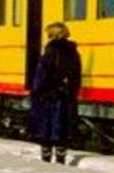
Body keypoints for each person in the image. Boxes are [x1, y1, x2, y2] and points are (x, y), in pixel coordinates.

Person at [30, 21, 82, 163]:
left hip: (49, 97)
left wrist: (37, 90)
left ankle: (46, 159)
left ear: (54, 34)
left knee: (46, 130)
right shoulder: (73, 51)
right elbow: (76, 75)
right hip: (66, 96)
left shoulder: (51, 50)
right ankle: (61, 158)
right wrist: (71, 90)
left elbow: (42, 73)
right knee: (63, 130)